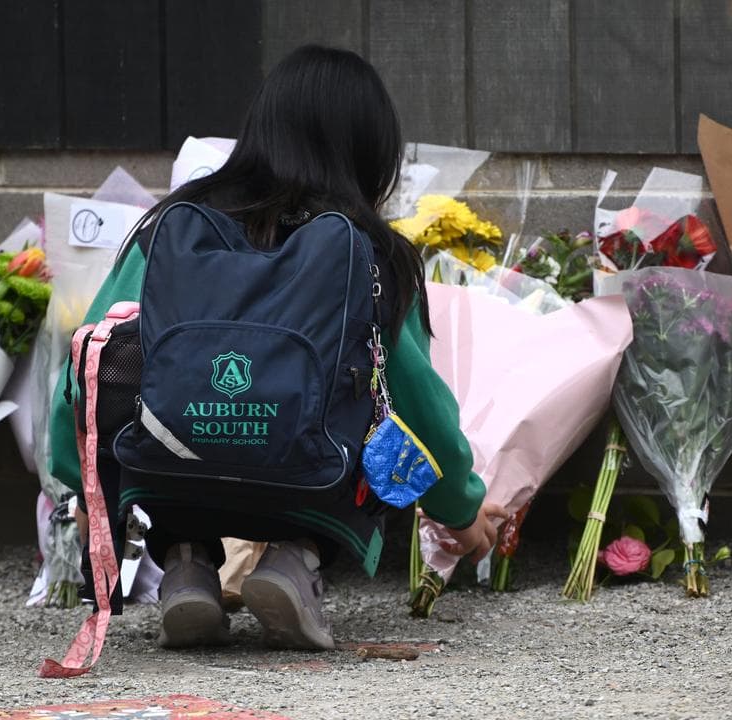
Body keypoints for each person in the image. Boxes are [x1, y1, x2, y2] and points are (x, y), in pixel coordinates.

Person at [47, 45, 506, 651]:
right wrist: (460, 508)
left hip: (165, 477)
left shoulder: (172, 227)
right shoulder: (370, 254)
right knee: (367, 426)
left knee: (173, 429)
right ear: (369, 153)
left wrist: (80, 482)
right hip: (309, 485)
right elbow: (414, 406)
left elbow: (95, 361)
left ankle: (186, 565)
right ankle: (297, 560)